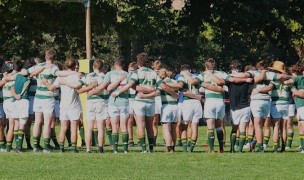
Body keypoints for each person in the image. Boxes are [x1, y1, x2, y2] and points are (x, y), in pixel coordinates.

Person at [111, 52, 177, 153]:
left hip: (139, 102)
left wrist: (118, 92)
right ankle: (151, 149)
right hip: (151, 102)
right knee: (150, 126)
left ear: (138, 63)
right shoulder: (153, 73)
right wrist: (175, 95)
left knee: (140, 125)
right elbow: (163, 86)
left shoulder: (137, 73)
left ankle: (143, 149)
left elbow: (130, 85)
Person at [23, 49, 78, 153]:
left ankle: (35, 146)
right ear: (55, 58)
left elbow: (25, 72)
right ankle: (46, 147)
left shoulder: (39, 66)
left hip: (38, 96)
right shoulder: (53, 67)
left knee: (38, 121)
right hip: (48, 98)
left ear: (45, 56)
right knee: (47, 123)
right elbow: (60, 73)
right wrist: (74, 73)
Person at [43, 58, 83, 153]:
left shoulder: (60, 77)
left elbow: (52, 88)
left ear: (65, 66)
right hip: (74, 105)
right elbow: (78, 87)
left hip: (63, 105)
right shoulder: (76, 76)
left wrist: (45, 83)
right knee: (73, 128)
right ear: (74, 67)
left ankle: (61, 147)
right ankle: (74, 148)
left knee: (63, 127)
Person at [78, 59, 107, 153]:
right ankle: (100, 148)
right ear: (102, 67)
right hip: (100, 101)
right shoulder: (104, 76)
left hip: (90, 102)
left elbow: (79, 86)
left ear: (93, 67)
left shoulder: (87, 76)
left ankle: (88, 149)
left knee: (89, 127)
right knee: (100, 127)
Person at [103, 57, 129, 153]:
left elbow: (108, 88)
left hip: (113, 102)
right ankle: (125, 149)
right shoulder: (128, 74)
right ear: (123, 65)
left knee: (114, 126)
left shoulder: (109, 74)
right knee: (124, 126)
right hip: (124, 102)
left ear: (115, 65)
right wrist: (120, 79)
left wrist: (117, 80)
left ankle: (115, 149)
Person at [284, 59, 304, 153]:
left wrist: (293, 89)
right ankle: (302, 147)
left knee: (302, 125)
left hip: (301, 106)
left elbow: (286, 82)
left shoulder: (299, 78)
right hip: (299, 105)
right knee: (300, 125)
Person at [127, 62, 138, 147]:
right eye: (129, 70)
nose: (130, 72)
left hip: (137, 99)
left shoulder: (137, 77)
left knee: (138, 120)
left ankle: (140, 139)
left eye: (132, 71)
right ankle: (130, 139)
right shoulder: (126, 77)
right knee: (130, 120)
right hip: (129, 99)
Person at [152, 60, 162, 145]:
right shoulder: (150, 73)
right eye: (156, 66)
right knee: (152, 121)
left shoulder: (162, 73)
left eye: (159, 66)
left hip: (159, 98)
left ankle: (154, 140)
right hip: (152, 96)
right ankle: (151, 139)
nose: (158, 67)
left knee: (156, 121)